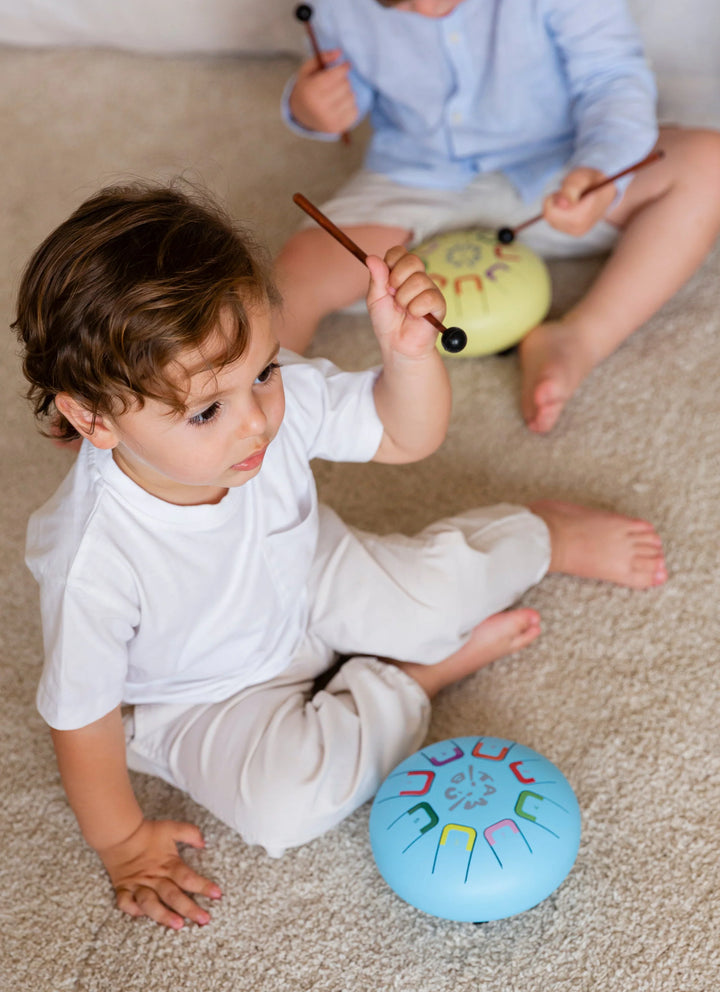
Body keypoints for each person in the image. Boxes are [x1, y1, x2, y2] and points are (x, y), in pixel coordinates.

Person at [13, 182, 667, 930]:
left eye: (262, 372)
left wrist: (407, 355)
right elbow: (83, 719)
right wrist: (125, 844)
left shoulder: (265, 396)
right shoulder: (90, 559)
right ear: (92, 417)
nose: (256, 421)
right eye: (206, 411)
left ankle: (538, 532)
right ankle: (420, 678)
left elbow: (401, 437)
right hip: (199, 693)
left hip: (312, 574)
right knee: (286, 807)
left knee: (440, 599)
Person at [277, 0, 720, 433]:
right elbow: (348, 93)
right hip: (417, 174)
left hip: (557, 168)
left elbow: (612, 80)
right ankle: (265, 396)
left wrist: (601, 172)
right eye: (393, 2)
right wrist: (311, 110)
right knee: (298, 270)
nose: (424, 10)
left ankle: (579, 337)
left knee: (708, 165)